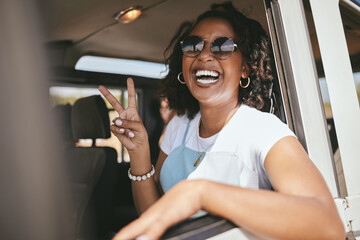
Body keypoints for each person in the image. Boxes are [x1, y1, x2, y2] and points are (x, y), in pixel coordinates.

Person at [99, 2, 345, 239]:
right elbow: (154, 216)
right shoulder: (179, 126)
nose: (204, 55)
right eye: (193, 45)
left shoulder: (261, 130)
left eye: (223, 46)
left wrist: (202, 194)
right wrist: (140, 153)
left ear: (245, 69)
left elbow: (328, 224)